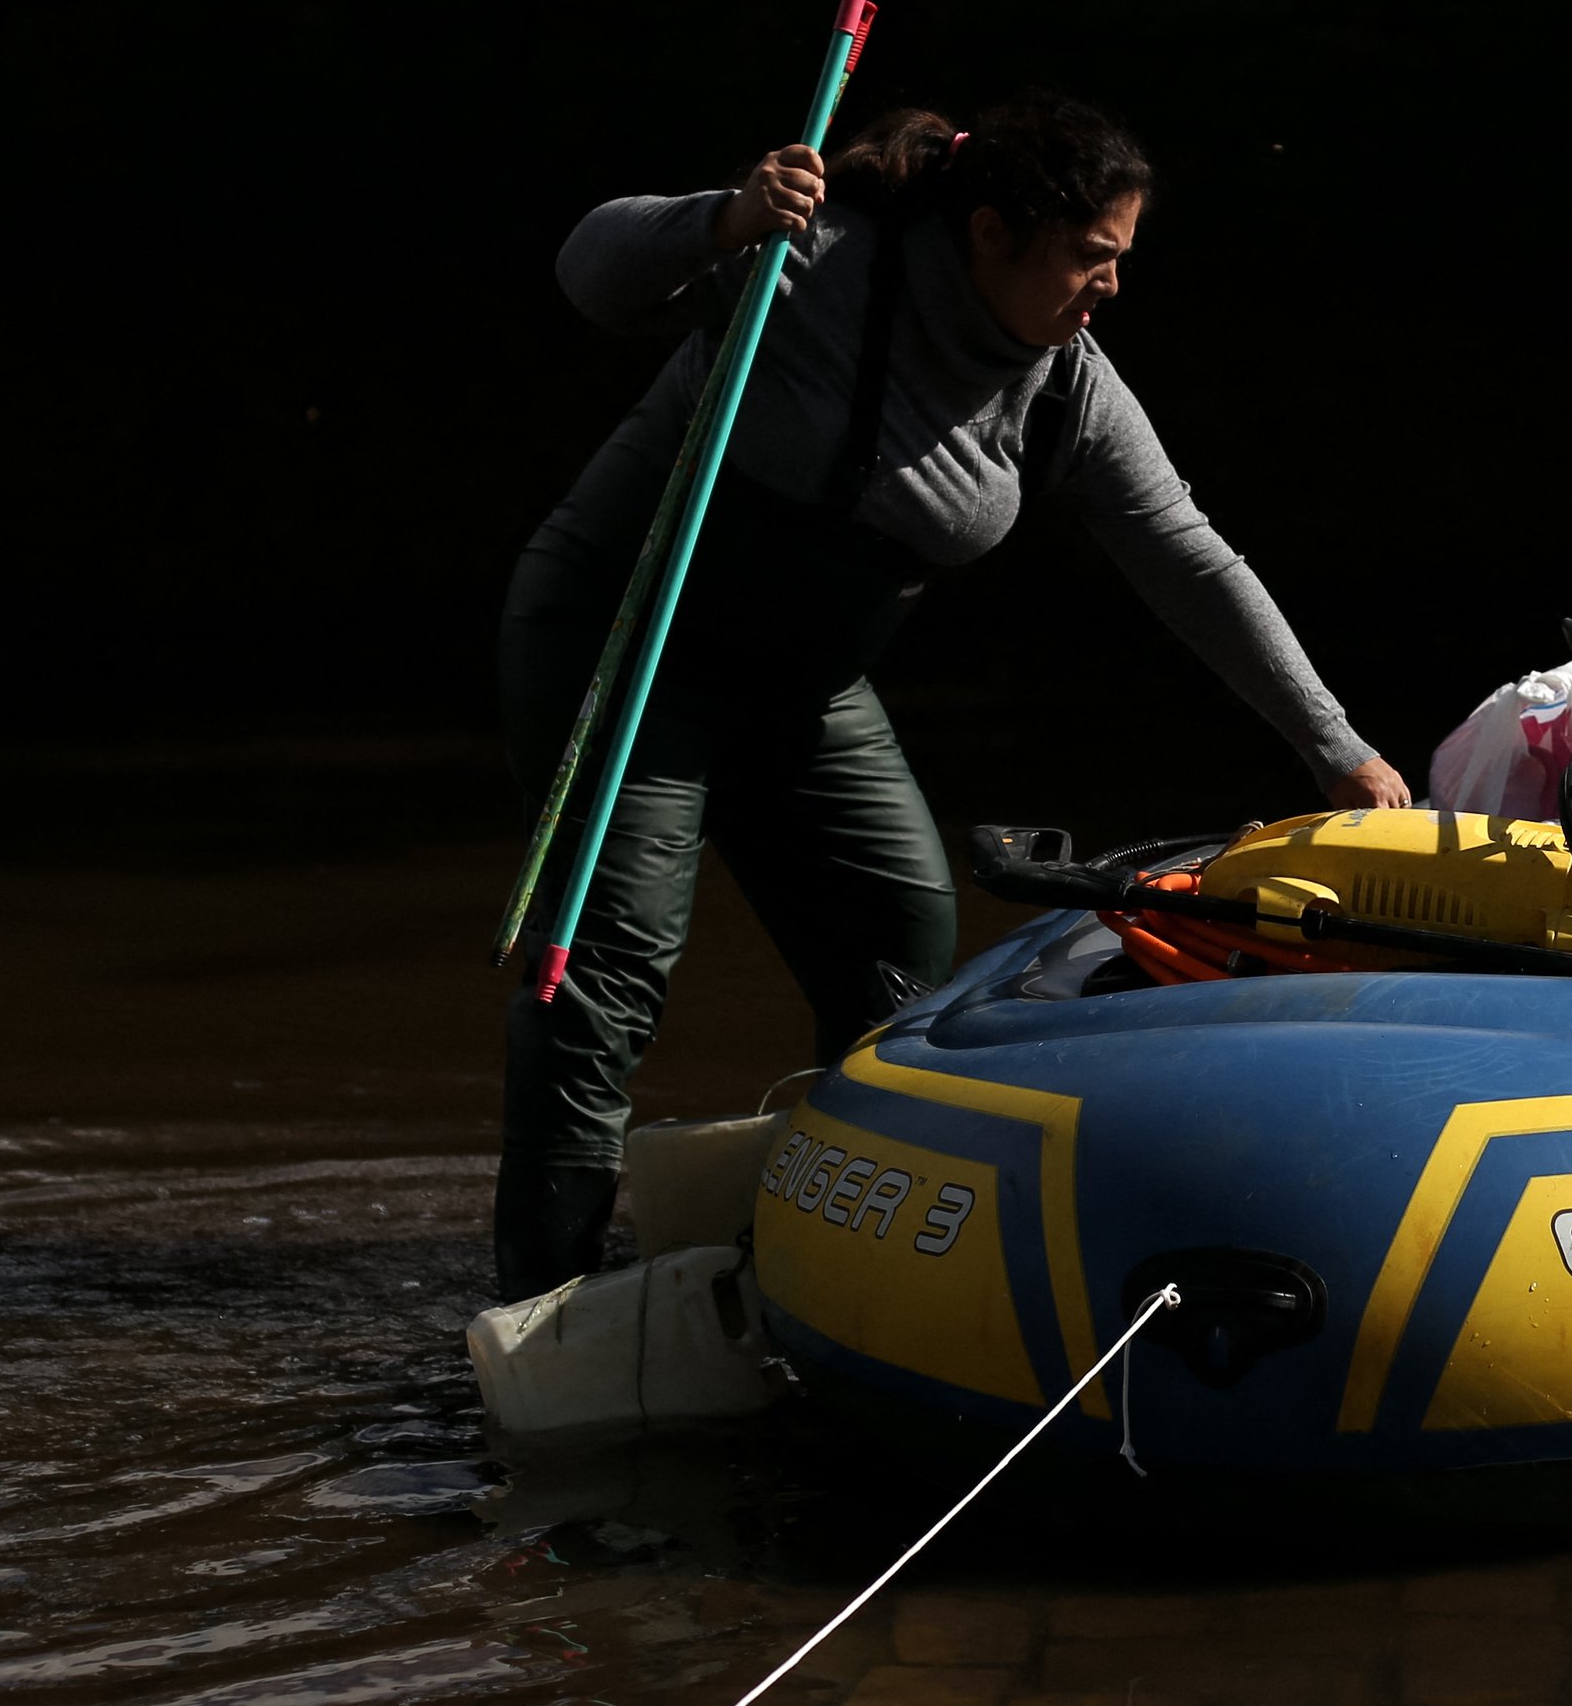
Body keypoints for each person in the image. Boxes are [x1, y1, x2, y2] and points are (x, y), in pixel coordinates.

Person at [494, 91, 1407, 1298]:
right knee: (606, 975)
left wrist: (1335, 750)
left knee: (902, 936)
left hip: (803, 684)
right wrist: (721, 219)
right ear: (990, 232)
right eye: (1092, 256)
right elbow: (590, 271)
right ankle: (541, 1298)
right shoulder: (812, 261)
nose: (1111, 289)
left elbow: (1188, 557)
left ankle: (832, 1246)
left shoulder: (1063, 378)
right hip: (634, 639)